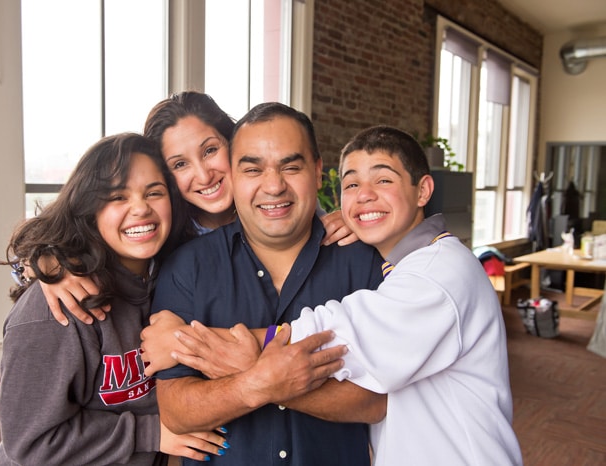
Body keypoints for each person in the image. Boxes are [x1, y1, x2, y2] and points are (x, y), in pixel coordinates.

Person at [146, 102, 387, 466]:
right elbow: (178, 411)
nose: (274, 185)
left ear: (320, 172)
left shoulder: (364, 259)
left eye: (291, 167)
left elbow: (377, 401)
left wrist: (260, 376)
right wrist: (260, 382)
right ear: (236, 174)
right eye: (253, 169)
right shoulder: (185, 265)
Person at [280, 126, 523, 465]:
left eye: (383, 181)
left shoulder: (435, 274)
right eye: (351, 185)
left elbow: (327, 339)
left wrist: (232, 350)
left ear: (422, 190)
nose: (364, 194)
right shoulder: (406, 261)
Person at [0, 133, 226, 465]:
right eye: (117, 196)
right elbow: (31, 444)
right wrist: (152, 433)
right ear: (89, 208)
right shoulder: (57, 307)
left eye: (154, 192)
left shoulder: (170, 280)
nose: (141, 208)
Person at [39, 91, 355, 324]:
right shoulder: (163, 231)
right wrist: (49, 262)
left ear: (235, 146)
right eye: (179, 164)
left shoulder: (282, 208)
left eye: (210, 150)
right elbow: (75, 230)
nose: (203, 175)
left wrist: (352, 219)